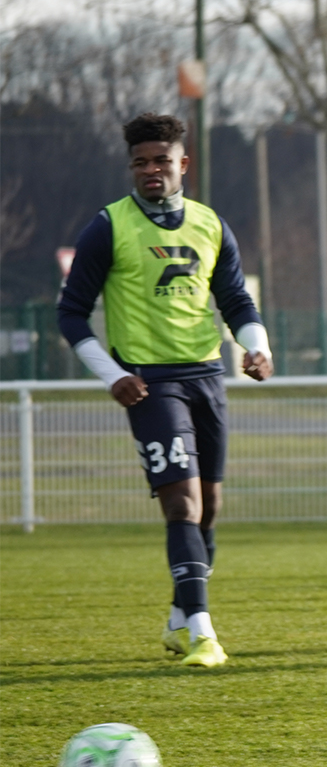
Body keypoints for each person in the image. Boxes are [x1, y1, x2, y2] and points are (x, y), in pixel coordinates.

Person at [55, 112, 272, 668]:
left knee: (209, 509)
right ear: (131, 166)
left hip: (207, 376)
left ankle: (179, 619)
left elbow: (236, 301)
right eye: (140, 162)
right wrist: (114, 375)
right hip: (150, 384)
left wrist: (256, 345)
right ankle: (202, 631)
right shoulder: (108, 226)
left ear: (183, 164)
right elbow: (73, 314)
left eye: (160, 160)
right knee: (181, 504)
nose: (150, 170)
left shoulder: (210, 224)